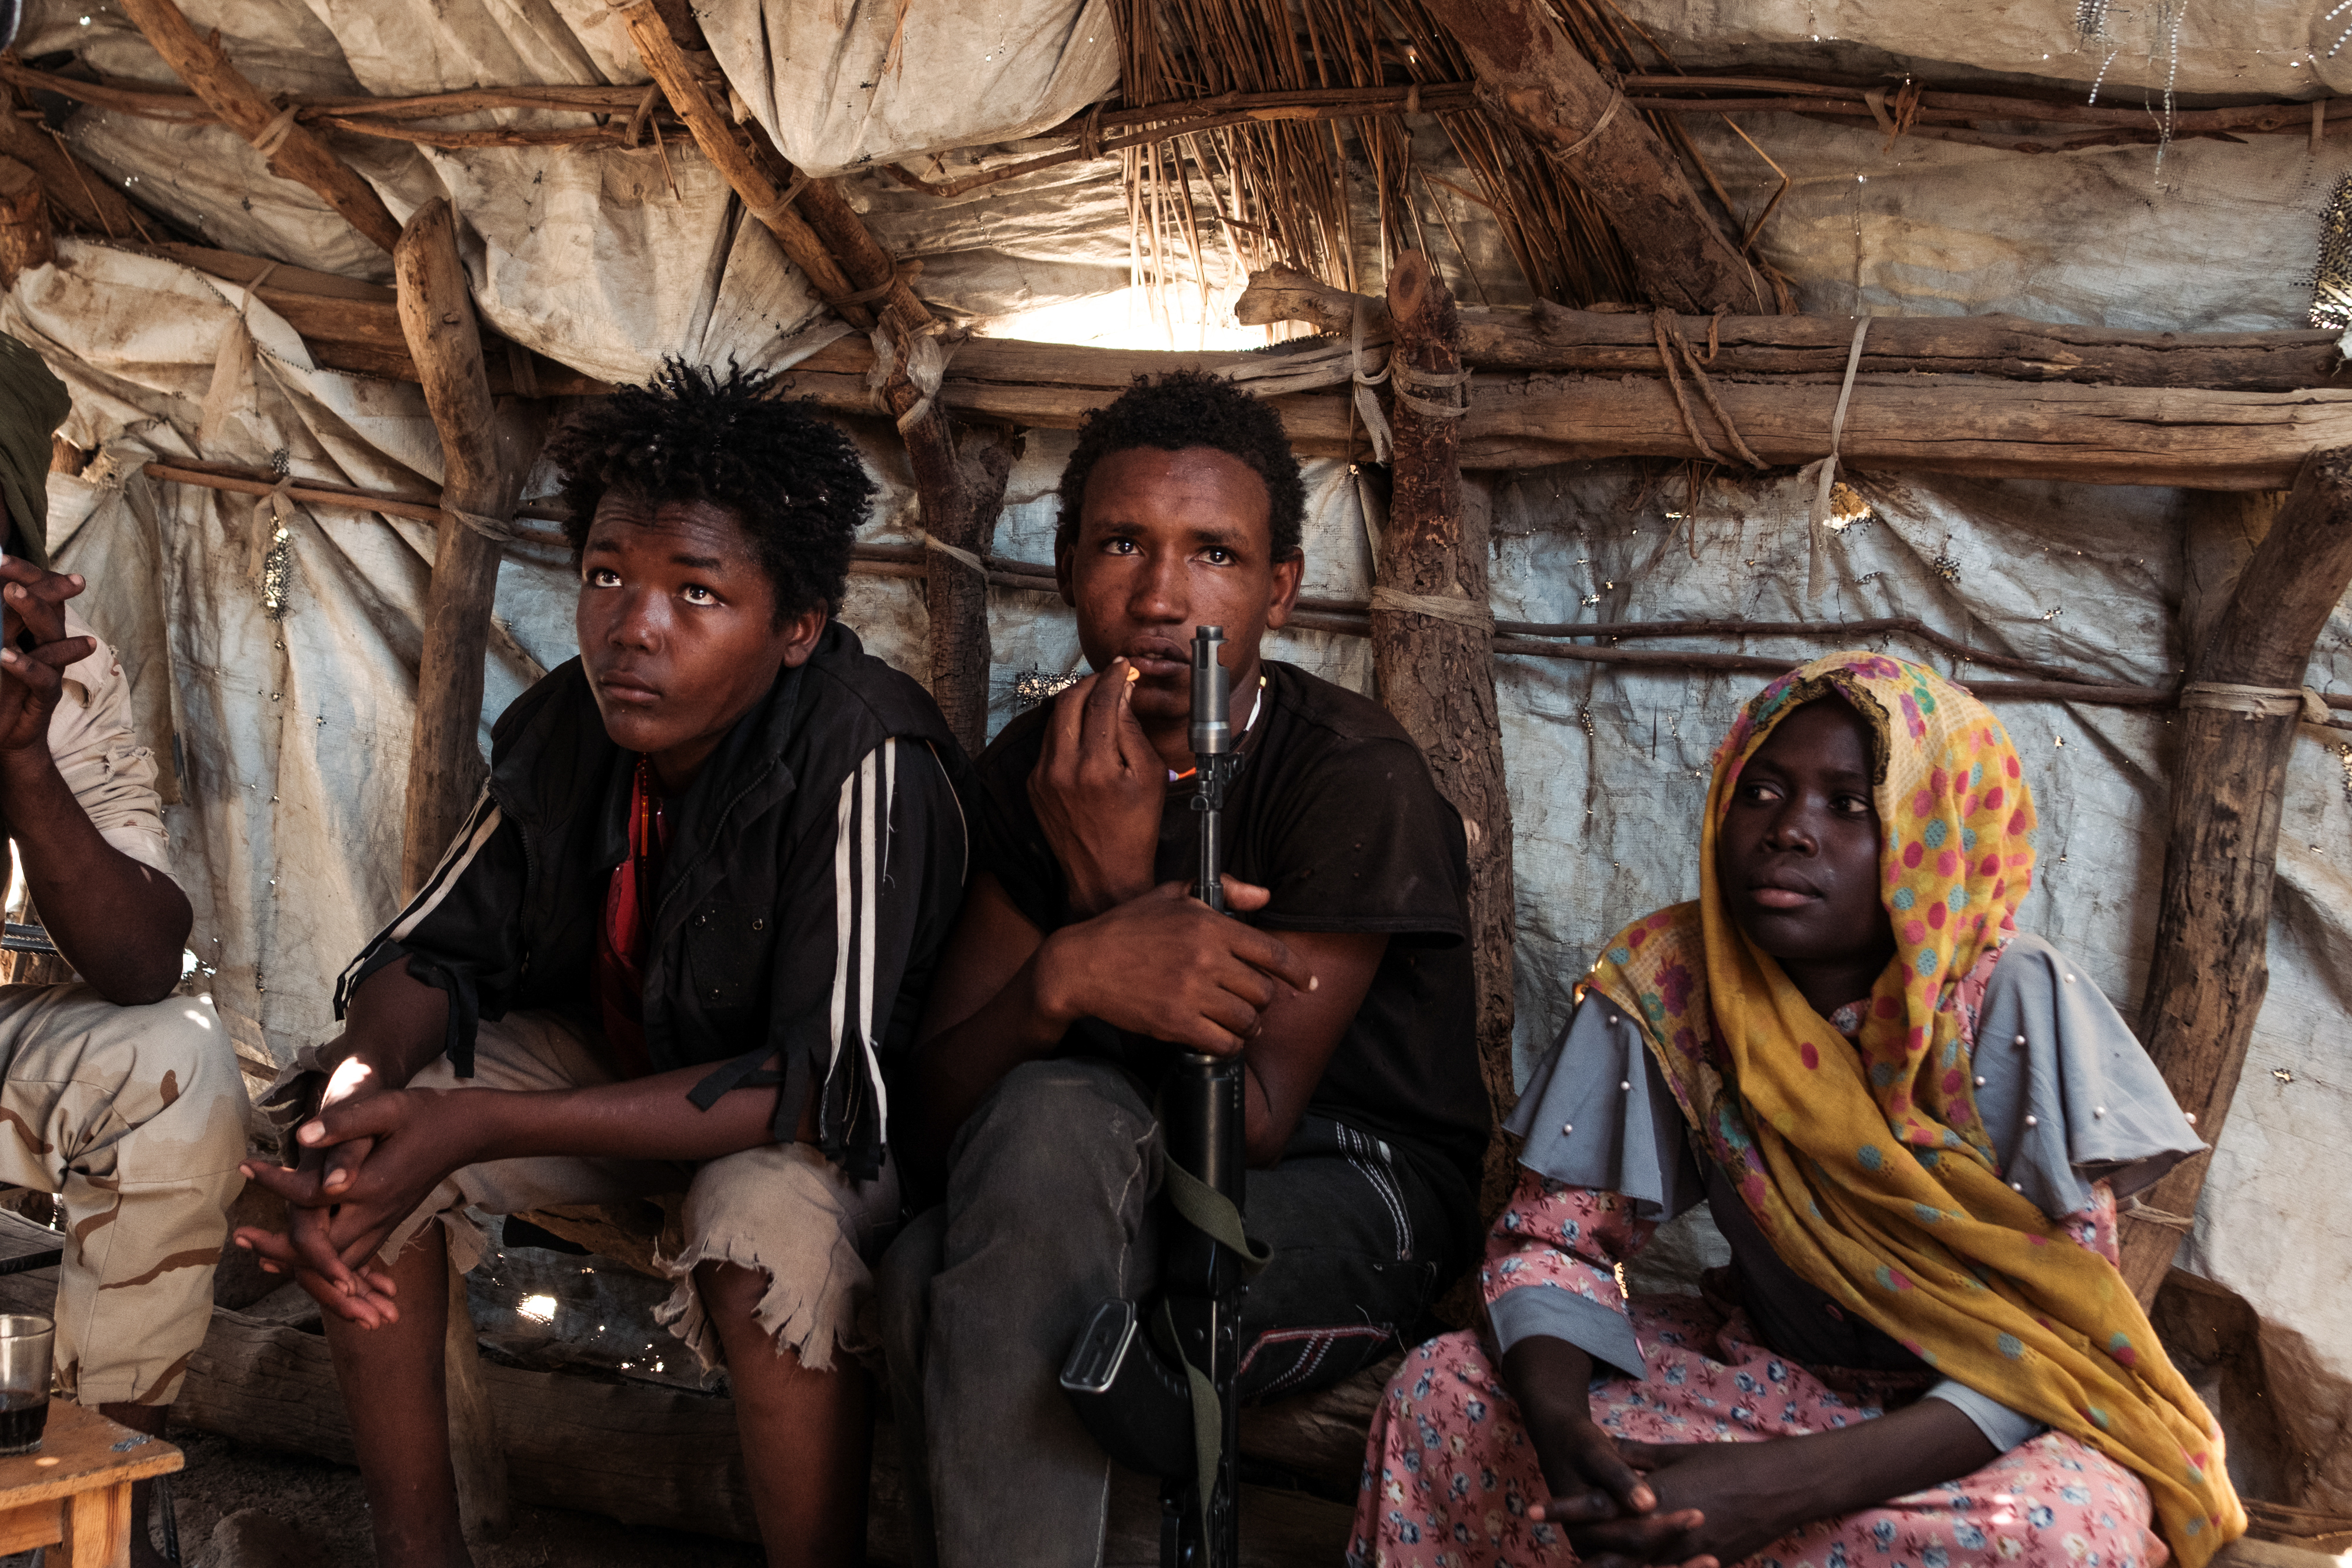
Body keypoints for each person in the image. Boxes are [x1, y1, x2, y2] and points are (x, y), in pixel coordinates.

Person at [234, 366, 970, 1568]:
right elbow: (432, 948)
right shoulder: (578, 718)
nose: (635, 625)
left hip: (831, 1127)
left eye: (697, 591)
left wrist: (470, 1120)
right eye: (608, 576)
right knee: (363, 1133)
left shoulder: (864, 750)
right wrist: (356, 1089)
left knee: (758, 1237)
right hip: (631, 1063)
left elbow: (811, 1081)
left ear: (795, 625)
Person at [1353, 651, 2247, 1568]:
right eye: (1763, 792)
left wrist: (1777, 1490)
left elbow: (2060, 1341)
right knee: (1441, 1390)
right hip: (1764, 1373)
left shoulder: (2009, 1003)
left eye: (1848, 805)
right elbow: (1557, 1242)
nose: (1789, 831)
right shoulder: (1677, 981)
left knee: (2059, 1535)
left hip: (1974, 1421)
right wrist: (1567, 1438)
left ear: (1937, 832)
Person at [880, 369, 1493, 1568]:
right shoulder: (1034, 767)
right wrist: (1062, 973)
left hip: (1349, 1182)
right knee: (927, 1249)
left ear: (1278, 589)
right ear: (1065, 569)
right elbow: (932, 1115)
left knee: (1021, 1228)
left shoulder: (1344, 775)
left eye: (1211, 552)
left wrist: (1114, 896)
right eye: (1120, 543)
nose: (1160, 596)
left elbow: (1254, 1121)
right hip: (1099, 1162)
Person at [0, 333, 248, 1568]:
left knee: (174, 1060)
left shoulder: (54, 683)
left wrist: (24, 761)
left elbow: (142, 958)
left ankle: (96, 1499)